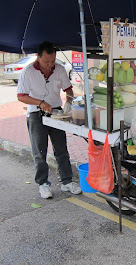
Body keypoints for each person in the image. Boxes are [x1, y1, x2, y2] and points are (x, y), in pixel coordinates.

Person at [17, 41, 81, 198]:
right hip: (36, 114)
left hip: (57, 113)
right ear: (38, 57)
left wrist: (69, 102)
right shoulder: (28, 72)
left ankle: (66, 181)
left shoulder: (59, 69)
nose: (50, 64)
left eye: (52, 61)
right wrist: (40, 103)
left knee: (61, 149)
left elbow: (69, 90)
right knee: (39, 151)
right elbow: (21, 96)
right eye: (46, 61)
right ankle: (43, 183)